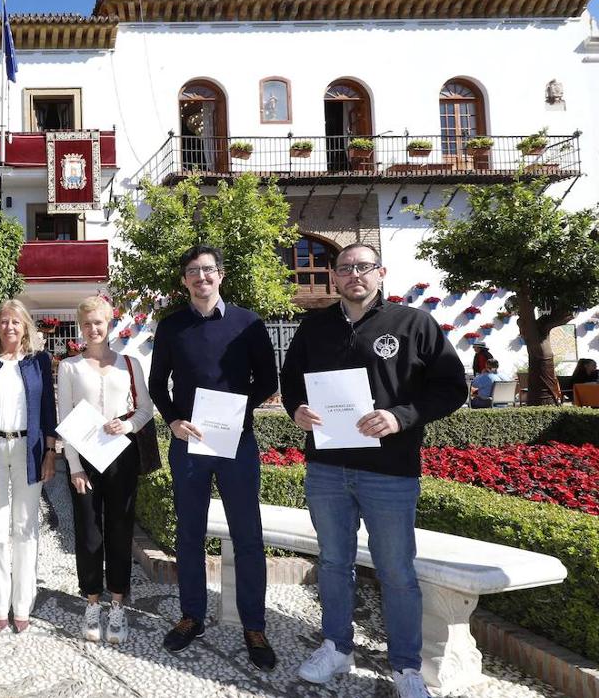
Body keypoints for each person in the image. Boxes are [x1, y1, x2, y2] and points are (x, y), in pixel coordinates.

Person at [280, 242, 466, 698]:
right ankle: (336, 646)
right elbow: (291, 382)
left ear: (381, 273)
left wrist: (400, 417)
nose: (353, 275)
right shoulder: (314, 327)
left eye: (362, 267)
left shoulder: (413, 324)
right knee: (332, 562)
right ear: (335, 277)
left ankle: (405, 666)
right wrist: (296, 410)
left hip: (390, 470)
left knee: (396, 571)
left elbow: (451, 388)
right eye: (344, 268)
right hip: (326, 468)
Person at [147, 245, 279, 670]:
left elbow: (269, 379)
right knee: (188, 532)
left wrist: (238, 411)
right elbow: (156, 384)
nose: (201, 277)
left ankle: (254, 625)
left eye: (207, 270)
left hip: (237, 442)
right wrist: (172, 421)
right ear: (184, 280)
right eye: (192, 271)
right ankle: (191, 616)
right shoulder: (171, 326)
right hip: (189, 442)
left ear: (220, 275)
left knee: (247, 535)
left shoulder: (248, 322)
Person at [56, 295, 154, 645]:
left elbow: (145, 409)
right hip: (85, 460)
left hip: (120, 456)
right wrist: (74, 466)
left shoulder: (130, 363)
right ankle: (92, 601)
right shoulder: (69, 367)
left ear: (109, 323)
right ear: (80, 328)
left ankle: (117, 603)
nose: (93, 328)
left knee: (119, 528)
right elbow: (64, 421)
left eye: (99, 322)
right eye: (87, 324)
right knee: (88, 532)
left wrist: (126, 427)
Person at [0, 299, 58, 633]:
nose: (10, 327)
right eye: (4, 322)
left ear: (26, 327)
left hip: (28, 449)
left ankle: (23, 606)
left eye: (16, 322)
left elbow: (48, 409)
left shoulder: (38, 362)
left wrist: (50, 451)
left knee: (25, 526)